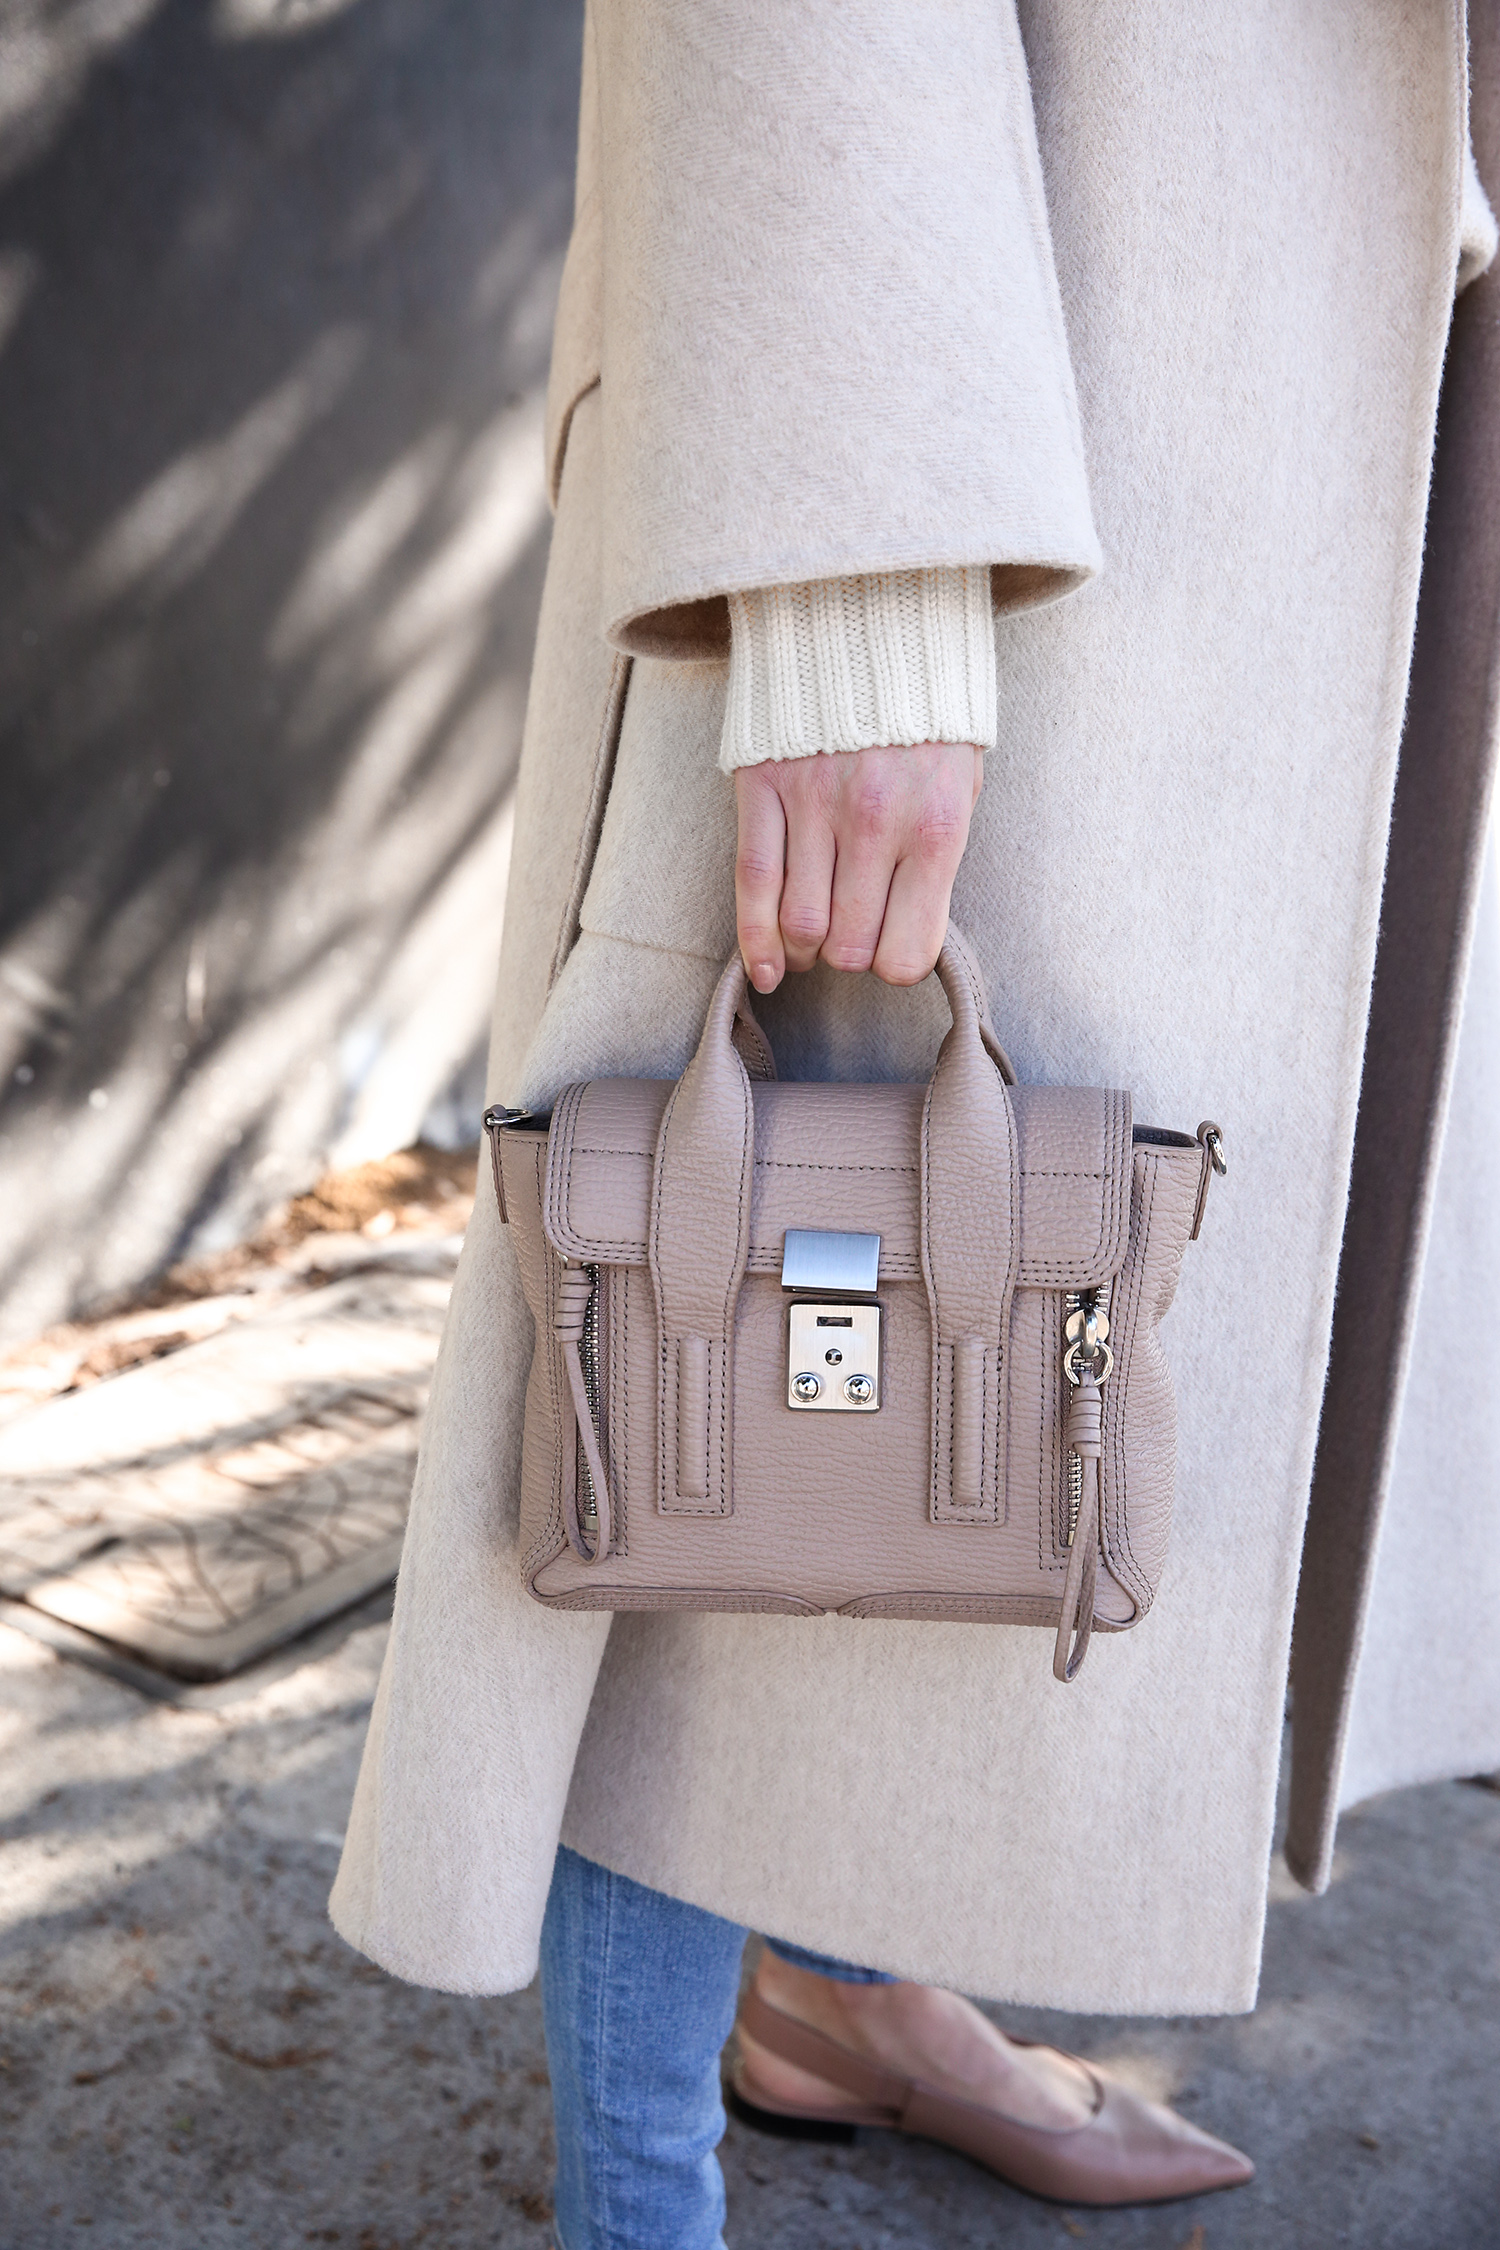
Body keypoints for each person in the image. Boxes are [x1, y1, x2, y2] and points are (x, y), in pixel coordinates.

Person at [332, 7, 1500, 2245]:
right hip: (984, 380)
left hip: (1314, 372)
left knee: (883, 1415)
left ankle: (845, 1987)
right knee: (716, 1462)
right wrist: (853, 554)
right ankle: (645, 2195)